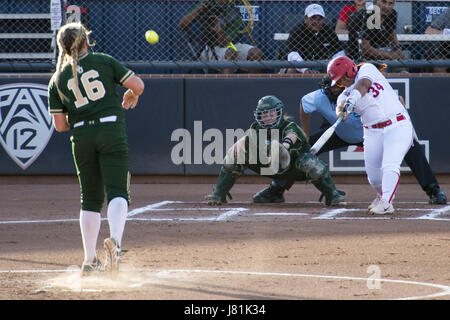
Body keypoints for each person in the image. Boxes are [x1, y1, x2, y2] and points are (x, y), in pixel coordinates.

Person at [254, 75, 447, 206]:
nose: (336, 88)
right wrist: (304, 133)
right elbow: (304, 106)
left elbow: (393, 104)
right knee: (300, 151)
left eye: (340, 85)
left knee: (411, 148)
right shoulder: (319, 97)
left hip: (372, 132)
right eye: (333, 85)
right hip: (340, 132)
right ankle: (276, 189)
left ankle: (433, 190)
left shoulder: (361, 90)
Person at [48, 22, 145, 276]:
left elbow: (59, 126)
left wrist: (83, 120)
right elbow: (138, 85)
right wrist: (132, 95)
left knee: (89, 199)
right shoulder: (103, 60)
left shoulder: (57, 79)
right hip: (110, 131)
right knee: (117, 191)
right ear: (84, 42)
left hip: (80, 136)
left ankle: (89, 261)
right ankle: (115, 241)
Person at [205, 95, 346, 207]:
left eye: (271, 113)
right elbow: (245, 141)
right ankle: (219, 194)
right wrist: (238, 145)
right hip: (269, 166)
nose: (267, 117)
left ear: (279, 113)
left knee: (310, 162)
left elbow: (293, 135)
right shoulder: (256, 128)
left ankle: (332, 195)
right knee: (235, 156)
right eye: (264, 114)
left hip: (293, 168)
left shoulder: (289, 125)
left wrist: (284, 146)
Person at [178, 0, 263, 74]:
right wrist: (198, 10)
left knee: (256, 53)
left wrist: (219, 31)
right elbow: (182, 25)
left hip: (228, 44)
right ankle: (225, 89)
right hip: (209, 46)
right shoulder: (205, 4)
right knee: (230, 53)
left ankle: (254, 88)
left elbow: (225, 43)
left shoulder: (233, 13)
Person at [282, 3, 344, 74]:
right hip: (302, 67)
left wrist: (334, 66)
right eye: (313, 18)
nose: (316, 22)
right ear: (305, 19)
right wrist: (305, 70)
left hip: (323, 66)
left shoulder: (328, 31)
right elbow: (292, 55)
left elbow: (339, 52)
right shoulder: (297, 31)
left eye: (319, 19)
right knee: (291, 70)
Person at [347, 0, 405, 64]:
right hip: (359, 59)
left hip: (381, 54)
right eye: (383, 2)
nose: (386, 6)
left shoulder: (392, 14)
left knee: (404, 63)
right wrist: (390, 55)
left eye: (390, 3)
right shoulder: (367, 16)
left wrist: (398, 50)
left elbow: (392, 34)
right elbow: (365, 49)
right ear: (376, 1)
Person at [424, 7, 450, 73]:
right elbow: (428, 31)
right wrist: (446, 33)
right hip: (446, 53)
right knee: (439, 65)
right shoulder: (448, 12)